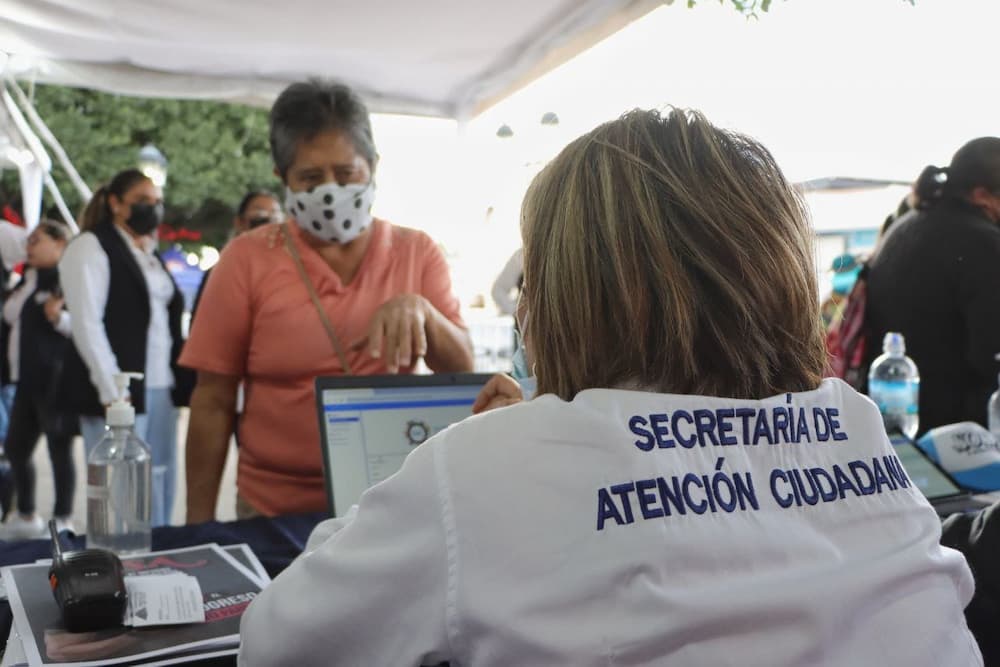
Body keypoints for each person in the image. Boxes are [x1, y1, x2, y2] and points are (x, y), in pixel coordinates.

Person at [238, 109, 981, 666]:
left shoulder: (488, 467)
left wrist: (491, 454)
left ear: (565, 291)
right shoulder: (855, 423)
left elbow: (278, 642)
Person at [181, 80, 473, 522]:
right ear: (282, 179)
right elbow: (212, 401)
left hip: (389, 506)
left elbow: (464, 370)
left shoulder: (417, 252)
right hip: (273, 512)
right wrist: (198, 527)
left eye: (346, 172)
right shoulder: (246, 259)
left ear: (372, 166)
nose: (331, 191)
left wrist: (423, 313)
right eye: (311, 178)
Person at [57, 169, 188, 527]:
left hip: (160, 383)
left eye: (157, 202)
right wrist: (111, 387)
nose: (153, 210)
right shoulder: (90, 247)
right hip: (118, 389)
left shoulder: (147, 252)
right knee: (120, 488)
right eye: (143, 202)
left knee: (159, 475)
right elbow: (86, 323)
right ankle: (122, 562)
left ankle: (159, 550)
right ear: (115, 203)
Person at [863, 138, 1000, 435]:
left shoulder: (906, 224)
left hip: (897, 422)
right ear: (981, 195)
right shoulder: (985, 243)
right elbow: (991, 356)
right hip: (959, 435)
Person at [0, 221, 76, 539]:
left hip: (54, 380)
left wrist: (59, 317)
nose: (29, 247)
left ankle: (64, 518)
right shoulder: (27, 281)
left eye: (37, 240)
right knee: (17, 447)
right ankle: (27, 512)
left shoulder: (69, 278)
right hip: (24, 380)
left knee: (59, 448)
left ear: (60, 244)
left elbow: (85, 327)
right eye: (27, 241)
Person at [190, 190, 283, 318]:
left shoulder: (289, 272)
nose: (268, 218)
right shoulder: (222, 273)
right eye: (259, 211)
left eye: (275, 213)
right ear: (240, 222)